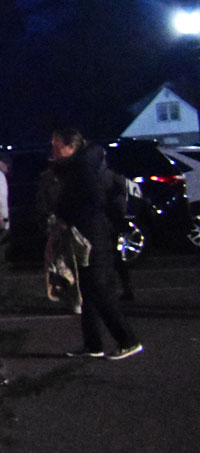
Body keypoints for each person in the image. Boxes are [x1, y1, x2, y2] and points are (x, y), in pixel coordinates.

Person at [44, 128, 143, 360]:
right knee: (87, 289)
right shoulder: (74, 167)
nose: (54, 152)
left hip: (91, 235)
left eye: (57, 147)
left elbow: (95, 199)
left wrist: (69, 211)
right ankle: (93, 344)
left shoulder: (82, 168)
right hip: (84, 232)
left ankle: (128, 340)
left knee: (98, 288)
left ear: (71, 147)